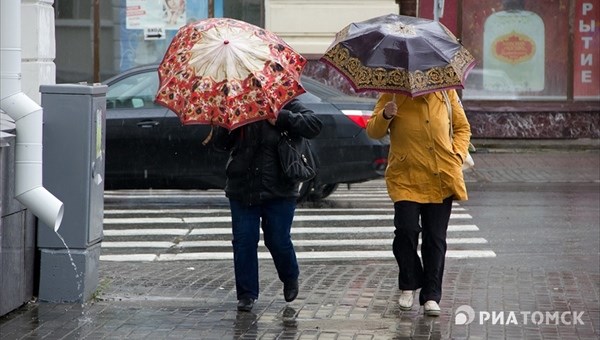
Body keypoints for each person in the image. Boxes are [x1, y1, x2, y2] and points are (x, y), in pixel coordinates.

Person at [366, 90, 471, 316]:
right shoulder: (392, 94)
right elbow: (373, 131)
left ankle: (431, 296)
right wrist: (386, 115)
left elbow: (462, 128)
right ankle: (409, 283)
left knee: (435, 238)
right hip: (406, 176)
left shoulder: (446, 93)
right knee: (405, 231)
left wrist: (458, 155)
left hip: (440, 174)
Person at [212, 98, 322, 312]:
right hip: (242, 187)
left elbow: (314, 125)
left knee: (278, 240)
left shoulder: (286, 101)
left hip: (279, 188)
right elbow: (221, 145)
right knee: (244, 241)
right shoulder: (236, 103)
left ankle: (290, 276)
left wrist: (281, 118)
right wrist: (224, 124)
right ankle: (246, 294)